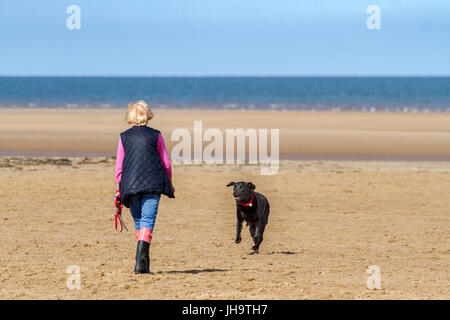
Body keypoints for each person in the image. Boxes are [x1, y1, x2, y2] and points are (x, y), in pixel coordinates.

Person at [115, 100, 175, 274]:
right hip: (153, 183)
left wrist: (119, 188)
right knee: (147, 221)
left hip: (129, 185)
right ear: (147, 115)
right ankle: (141, 264)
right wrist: (169, 181)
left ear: (130, 117)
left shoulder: (124, 137)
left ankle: (143, 263)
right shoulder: (156, 135)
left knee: (139, 222)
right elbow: (166, 163)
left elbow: (119, 167)